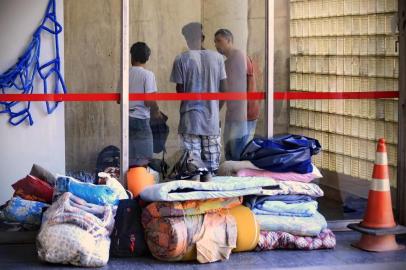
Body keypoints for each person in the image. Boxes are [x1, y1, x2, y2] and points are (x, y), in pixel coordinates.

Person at [170, 22, 227, 180]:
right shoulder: (217, 58)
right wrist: (215, 109)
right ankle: (210, 202)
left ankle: (195, 202)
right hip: (211, 121)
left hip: (190, 121)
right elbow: (225, 89)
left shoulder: (181, 59)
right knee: (211, 170)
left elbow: (180, 91)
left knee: (192, 169)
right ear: (202, 37)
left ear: (187, 39)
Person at [214, 29, 259, 161]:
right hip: (233, 114)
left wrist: (240, 116)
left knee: (238, 154)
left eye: (219, 41)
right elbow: (225, 91)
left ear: (229, 41)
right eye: (215, 42)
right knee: (229, 151)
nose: (216, 45)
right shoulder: (227, 62)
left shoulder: (239, 57)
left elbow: (237, 89)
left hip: (244, 114)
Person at [128, 42, 161, 168]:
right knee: (145, 158)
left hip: (126, 119)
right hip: (141, 119)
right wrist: (156, 111)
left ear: (131, 57)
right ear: (147, 58)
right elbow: (149, 100)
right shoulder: (148, 75)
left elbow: (120, 99)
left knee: (130, 157)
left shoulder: (125, 73)